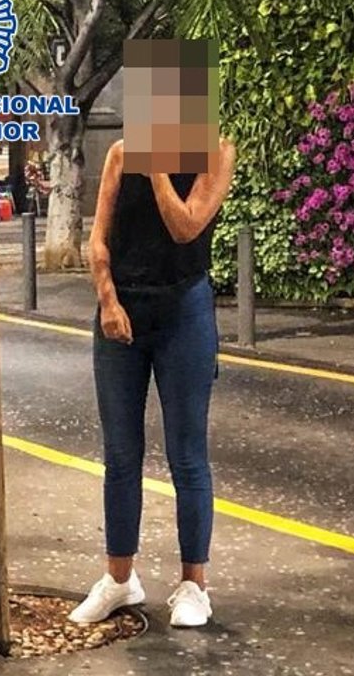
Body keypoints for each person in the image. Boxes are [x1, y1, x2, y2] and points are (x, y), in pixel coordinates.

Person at [70, 135, 235, 628]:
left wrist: (159, 166)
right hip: (121, 309)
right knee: (120, 454)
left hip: (183, 311)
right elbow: (98, 239)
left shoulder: (216, 152)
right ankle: (119, 579)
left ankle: (193, 585)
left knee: (187, 454)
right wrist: (107, 300)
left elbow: (185, 227)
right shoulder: (122, 153)